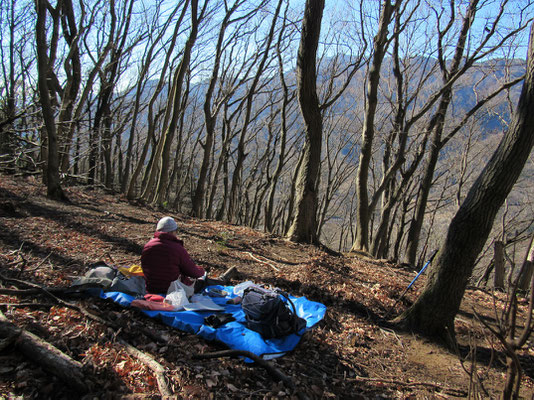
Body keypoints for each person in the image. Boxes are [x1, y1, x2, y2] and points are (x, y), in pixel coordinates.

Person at [141, 216, 206, 294]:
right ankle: (221, 280)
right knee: (203, 282)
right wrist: (202, 271)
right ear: (171, 232)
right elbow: (192, 272)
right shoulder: (177, 248)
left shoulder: (147, 246)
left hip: (151, 289)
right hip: (173, 290)